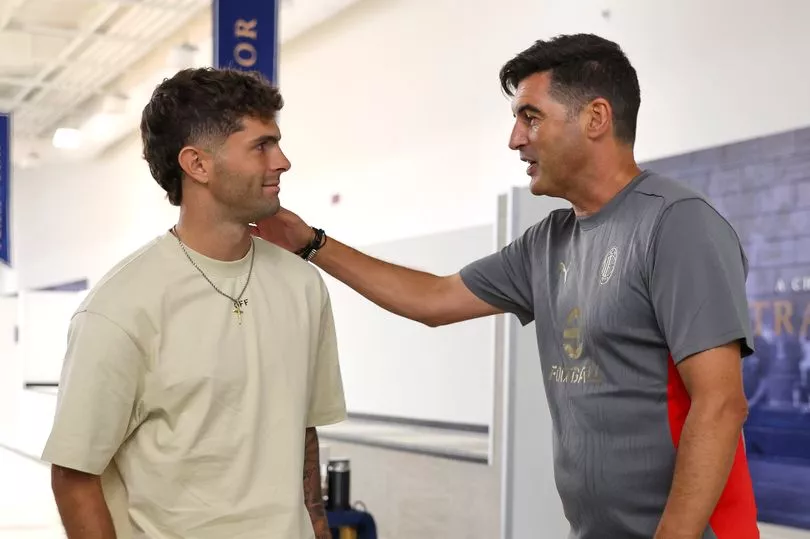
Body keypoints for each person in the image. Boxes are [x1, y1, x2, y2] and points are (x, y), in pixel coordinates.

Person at [256, 33, 759, 539]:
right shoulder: (548, 241)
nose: (515, 138)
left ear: (596, 118)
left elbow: (720, 404)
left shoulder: (677, 225)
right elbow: (432, 299)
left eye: (530, 117)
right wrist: (310, 242)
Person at [40, 68, 346, 539]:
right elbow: (75, 476)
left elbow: (302, 431)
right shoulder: (119, 307)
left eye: (277, 142)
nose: (282, 161)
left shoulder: (302, 285)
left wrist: (319, 525)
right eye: (261, 145)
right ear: (197, 165)